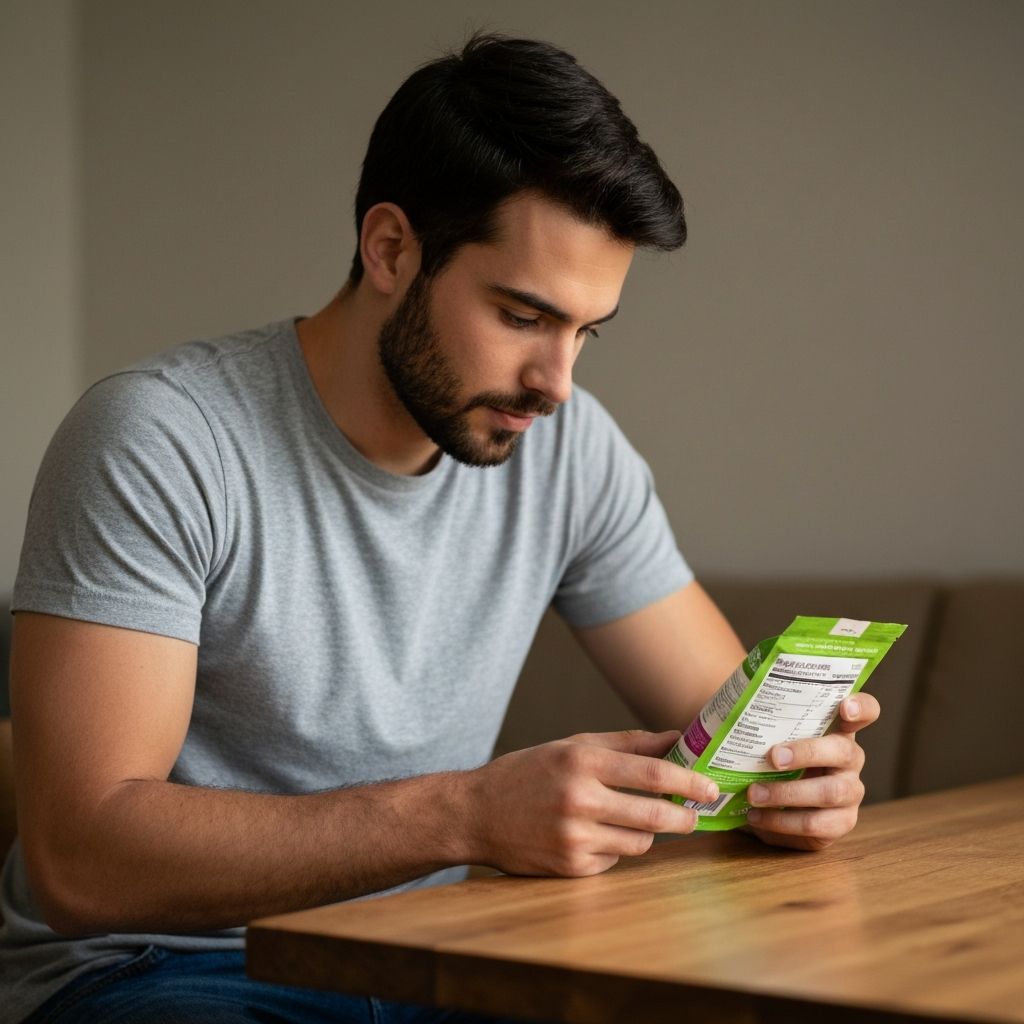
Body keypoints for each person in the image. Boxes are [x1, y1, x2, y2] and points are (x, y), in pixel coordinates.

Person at [1, 33, 878, 1024]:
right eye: (521, 315)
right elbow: (81, 860)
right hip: (162, 970)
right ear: (389, 248)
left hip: (433, 959)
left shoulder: (568, 449)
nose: (558, 383)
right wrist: (466, 812)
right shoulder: (160, 439)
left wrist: (793, 782)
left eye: (585, 331)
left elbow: (724, 732)